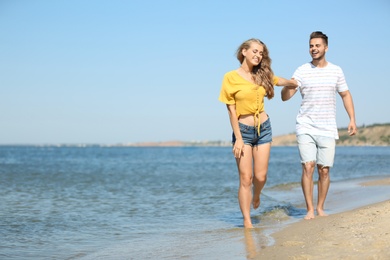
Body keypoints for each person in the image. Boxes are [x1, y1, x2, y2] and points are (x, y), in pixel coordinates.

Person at [219, 38, 297, 228]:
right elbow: (231, 110)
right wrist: (238, 138)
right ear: (244, 52)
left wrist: (295, 82)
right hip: (243, 132)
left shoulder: (263, 74)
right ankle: (247, 221)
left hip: (264, 129)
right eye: (254, 51)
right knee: (246, 178)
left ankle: (257, 194)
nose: (258, 55)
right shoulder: (230, 77)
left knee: (260, 177)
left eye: (261, 53)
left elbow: (279, 81)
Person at [281, 31, 357, 220]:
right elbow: (285, 97)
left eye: (317, 45)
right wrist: (287, 87)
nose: (313, 49)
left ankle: (320, 207)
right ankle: (309, 209)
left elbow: (345, 95)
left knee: (324, 170)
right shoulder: (301, 70)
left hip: (328, 127)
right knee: (308, 166)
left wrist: (352, 119)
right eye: (311, 46)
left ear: (326, 47)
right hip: (305, 125)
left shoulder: (336, 71)